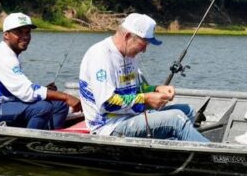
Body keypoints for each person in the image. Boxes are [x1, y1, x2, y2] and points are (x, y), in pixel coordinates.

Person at [78, 13, 208, 142]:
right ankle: (212, 157)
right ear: (128, 36)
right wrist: (146, 99)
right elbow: (107, 103)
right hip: (109, 126)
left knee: (187, 111)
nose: (144, 50)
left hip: (132, 116)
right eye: (143, 44)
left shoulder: (129, 54)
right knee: (176, 119)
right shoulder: (100, 56)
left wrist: (156, 89)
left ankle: (181, 151)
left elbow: (138, 88)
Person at [0, 12, 82, 129]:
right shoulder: (4, 57)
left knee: (59, 105)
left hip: (6, 104)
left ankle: (52, 139)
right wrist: (66, 96)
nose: (25, 36)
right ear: (6, 35)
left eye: (27, 32)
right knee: (43, 107)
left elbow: (20, 89)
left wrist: (48, 92)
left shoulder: (10, 54)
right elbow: (27, 92)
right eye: (19, 32)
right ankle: (29, 142)